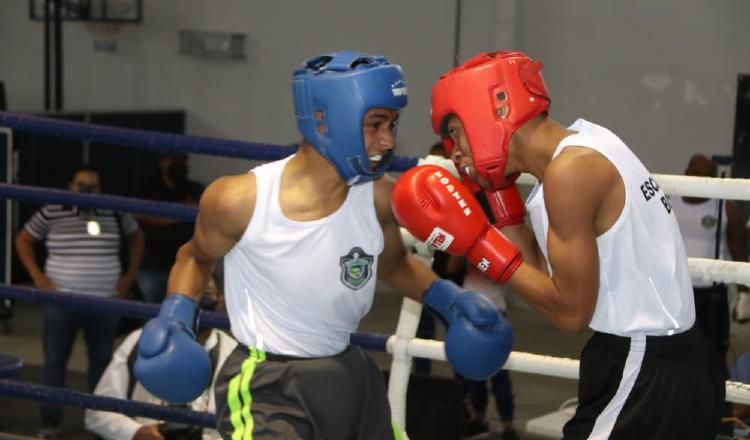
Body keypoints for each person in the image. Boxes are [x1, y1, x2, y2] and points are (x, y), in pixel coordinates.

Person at [132, 51, 513, 440]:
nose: (388, 140)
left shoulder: (378, 198)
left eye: (393, 125)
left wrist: (451, 301)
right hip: (269, 385)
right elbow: (193, 258)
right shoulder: (242, 200)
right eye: (375, 124)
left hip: (350, 374)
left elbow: (395, 265)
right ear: (323, 120)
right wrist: (176, 316)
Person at [393, 50, 724, 439]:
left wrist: (480, 245)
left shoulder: (571, 173)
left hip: (644, 368)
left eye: (455, 132)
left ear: (491, 110)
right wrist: (503, 203)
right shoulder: (588, 143)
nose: (455, 152)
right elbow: (547, 279)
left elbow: (569, 314)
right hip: (673, 360)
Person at [14, 165, 145, 438]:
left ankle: (99, 422)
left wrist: (126, 280)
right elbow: (24, 240)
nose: (87, 191)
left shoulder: (114, 211)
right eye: (81, 185)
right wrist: (39, 279)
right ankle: (50, 423)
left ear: (100, 189)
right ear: (70, 186)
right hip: (62, 300)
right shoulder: (53, 210)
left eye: (92, 186)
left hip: (105, 302)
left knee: (102, 364)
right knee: (55, 362)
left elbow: (137, 239)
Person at [85, 279, 237, 440]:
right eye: (189, 296)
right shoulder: (140, 341)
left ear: (220, 299)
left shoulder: (233, 355)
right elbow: (97, 413)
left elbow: (248, 427)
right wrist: (136, 433)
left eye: (206, 294)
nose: (196, 302)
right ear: (169, 299)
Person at [670, 153, 749, 374]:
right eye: (698, 175)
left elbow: (739, 252)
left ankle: (719, 407)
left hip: (711, 296)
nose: (703, 181)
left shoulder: (725, 208)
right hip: (676, 290)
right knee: (671, 351)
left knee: (714, 355)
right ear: (686, 174)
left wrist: (744, 296)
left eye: (708, 176)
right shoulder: (668, 204)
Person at [135, 153, 204, 304]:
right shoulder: (149, 188)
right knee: (150, 314)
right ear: (163, 162)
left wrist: (165, 215)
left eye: (184, 159)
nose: (181, 163)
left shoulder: (194, 189)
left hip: (187, 266)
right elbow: (138, 215)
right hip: (152, 265)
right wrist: (182, 213)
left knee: (182, 315)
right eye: (176, 159)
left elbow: (206, 216)